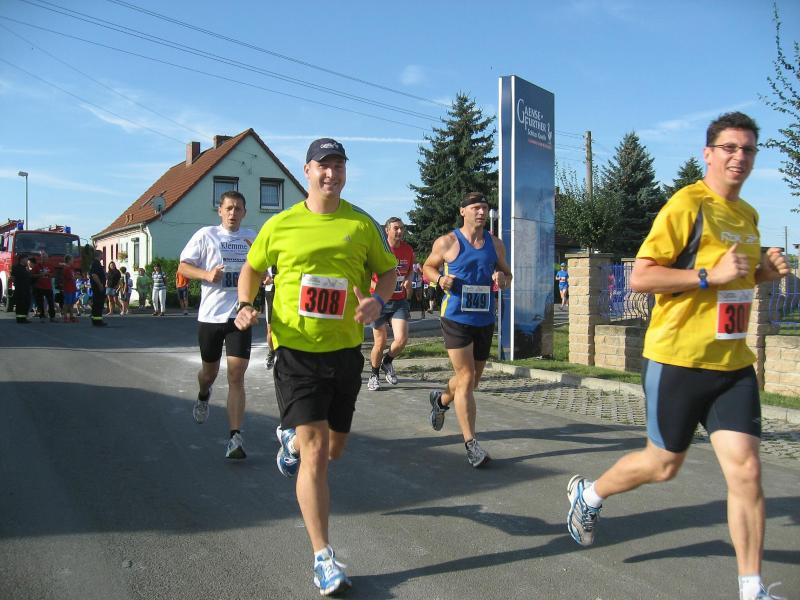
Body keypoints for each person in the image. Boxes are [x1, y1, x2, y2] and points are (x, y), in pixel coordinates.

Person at [565, 112, 790, 600]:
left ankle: (751, 589)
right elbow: (642, 276)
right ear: (709, 153)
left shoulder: (748, 216)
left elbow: (737, 280)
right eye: (729, 147)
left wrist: (764, 275)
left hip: (732, 364)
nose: (739, 157)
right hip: (678, 360)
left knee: (747, 470)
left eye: (748, 149)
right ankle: (590, 493)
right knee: (664, 465)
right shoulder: (688, 205)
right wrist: (708, 274)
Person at [234, 138, 397, 596]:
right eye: (324, 166)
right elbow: (251, 268)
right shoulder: (281, 224)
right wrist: (245, 304)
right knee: (316, 452)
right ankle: (323, 557)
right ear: (306, 170)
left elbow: (387, 271)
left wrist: (378, 300)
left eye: (339, 166)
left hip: (344, 352)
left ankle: (290, 443)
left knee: (333, 451)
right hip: (296, 352)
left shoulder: (360, 224)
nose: (332, 173)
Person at [422, 191, 512, 468]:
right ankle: (471, 444)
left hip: (484, 319)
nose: (481, 212)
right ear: (463, 211)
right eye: (475, 208)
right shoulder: (447, 241)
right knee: (466, 375)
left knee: (471, 382)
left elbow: (508, 276)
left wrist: (502, 278)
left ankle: (441, 400)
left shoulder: (495, 244)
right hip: (455, 317)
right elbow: (427, 267)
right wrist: (440, 280)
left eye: (484, 207)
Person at [178, 190, 257, 460]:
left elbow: (264, 270)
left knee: (236, 375)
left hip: (239, 316)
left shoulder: (252, 237)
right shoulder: (206, 235)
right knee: (209, 373)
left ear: (244, 212)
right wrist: (206, 274)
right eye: (229, 208)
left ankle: (235, 437)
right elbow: (183, 267)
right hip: (210, 316)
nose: (233, 213)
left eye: (238, 208)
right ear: (220, 211)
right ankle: (203, 394)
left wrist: (265, 278)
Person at [366, 217, 415, 391]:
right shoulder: (378, 248)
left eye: (402, 228)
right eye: (396, 228)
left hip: (399, 301)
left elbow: (410, 271)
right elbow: (366, 273)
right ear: (387, 230)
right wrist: (376, 287)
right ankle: (374, 375)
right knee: (380, 342)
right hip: (379, 301)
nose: (400, 231)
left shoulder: (407, 249)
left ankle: (387, 362)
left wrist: (408, 280)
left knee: (401, 340)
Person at [30, 254, 56, 322]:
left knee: (51, 302)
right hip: (39, 287)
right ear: (41, 258)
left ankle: (52, 317)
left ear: (47, 258)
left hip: (48, 287)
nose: (44, 259)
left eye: (45, 257)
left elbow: (53, 274)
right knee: (40, 303)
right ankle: (42, 317)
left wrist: (48, 274)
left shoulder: (50, 265)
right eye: (43, 257)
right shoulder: (37, 266)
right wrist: (40, 274)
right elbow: (32, 275)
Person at [88, 249, 107, 327]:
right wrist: (100, 285)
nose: (103, 256)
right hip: (97, 287)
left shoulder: (96, 263)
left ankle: (96, 320)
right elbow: (94, 275)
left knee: (97, 304)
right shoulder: (96, 263)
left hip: (97, 287)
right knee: (98, 304)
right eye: (102, 254)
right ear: (99, 255)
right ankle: (97, 321)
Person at [10, 255, 32, 324]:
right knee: (20, 304)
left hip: (26, 288)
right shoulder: (16, 267)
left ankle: (24, 318)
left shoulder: (26, 268)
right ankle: (20, 319)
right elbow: (13, 277)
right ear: (22, 259)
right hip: (20, 289)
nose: (27, 261)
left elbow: (29, 277)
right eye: (26, 259)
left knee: (26, 303)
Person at [262, 267, 276, 369]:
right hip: (271, 291)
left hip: (288, 290)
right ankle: (271, 352)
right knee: (270, 329)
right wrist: (263, 275)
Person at [60, 254, 79, 322]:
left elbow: (73, 276)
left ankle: (71, 316)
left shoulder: (71, 268)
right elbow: (70, 278)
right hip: (68, 288)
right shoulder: (66, 269)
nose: (73, 261)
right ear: (68, 260)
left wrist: (76, 276)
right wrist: (76, 277)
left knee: (72, 303)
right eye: (72, 259)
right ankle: (65, 316)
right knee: (67, 303)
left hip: (72, 288)